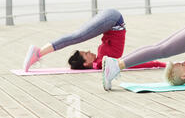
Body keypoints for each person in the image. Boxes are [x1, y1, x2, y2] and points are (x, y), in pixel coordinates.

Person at [22, 9, 165, 71]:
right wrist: (158, 64)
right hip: (113, 20)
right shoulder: (103, 64)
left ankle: (39, 52)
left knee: (77, 36)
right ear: (86, 63)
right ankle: (38, 52)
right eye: (86, 54)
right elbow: (131, 63)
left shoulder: (100, 61)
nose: (89, 51)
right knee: (76, 36)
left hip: (111, 20)